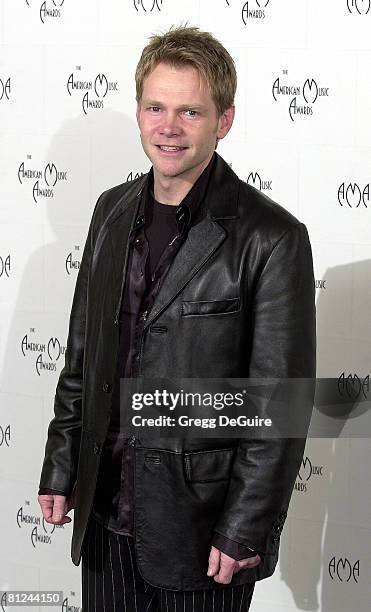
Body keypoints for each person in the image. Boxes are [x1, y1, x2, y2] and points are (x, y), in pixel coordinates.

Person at [38, 25, 316, 611]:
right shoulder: (110, 211)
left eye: (190, 111)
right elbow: (82, 357)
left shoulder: (271, 237)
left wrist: (245, 526)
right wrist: (61, 467)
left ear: (225, 119)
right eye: (156, 107)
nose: (169, 127)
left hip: (202, 531)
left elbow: (279, 405)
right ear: (138, 112)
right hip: (105, 514)